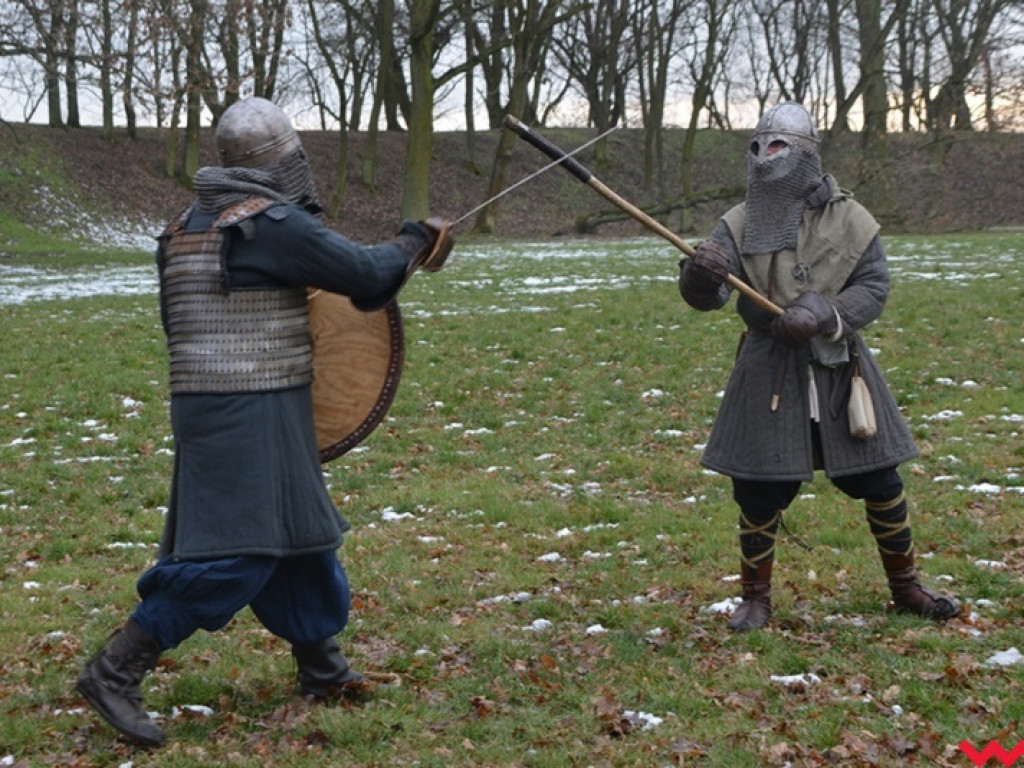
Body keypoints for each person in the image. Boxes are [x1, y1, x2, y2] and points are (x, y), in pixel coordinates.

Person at [76, 97, 453, 745]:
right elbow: (365, 277)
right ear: (284, 161)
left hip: (225, 406)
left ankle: (321, 666)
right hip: (245, 410)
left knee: (302, 537)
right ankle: (116, 668)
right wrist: (414, 241)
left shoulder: (185, 225)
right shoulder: (270, 224)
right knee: (235, 553)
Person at [678, 102, 960, 632]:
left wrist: (825, 311)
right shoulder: (739, 222)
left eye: (778, 146)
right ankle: (755, 599)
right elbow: (708, 294)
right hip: (768, 368)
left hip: (839, 368)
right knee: (758, 488)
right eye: (758, 147)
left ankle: (906, 587)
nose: (765, 157)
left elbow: (874, 287)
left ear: (806, 153)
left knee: (880, 478)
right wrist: (699, 275)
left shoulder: (851, 219)